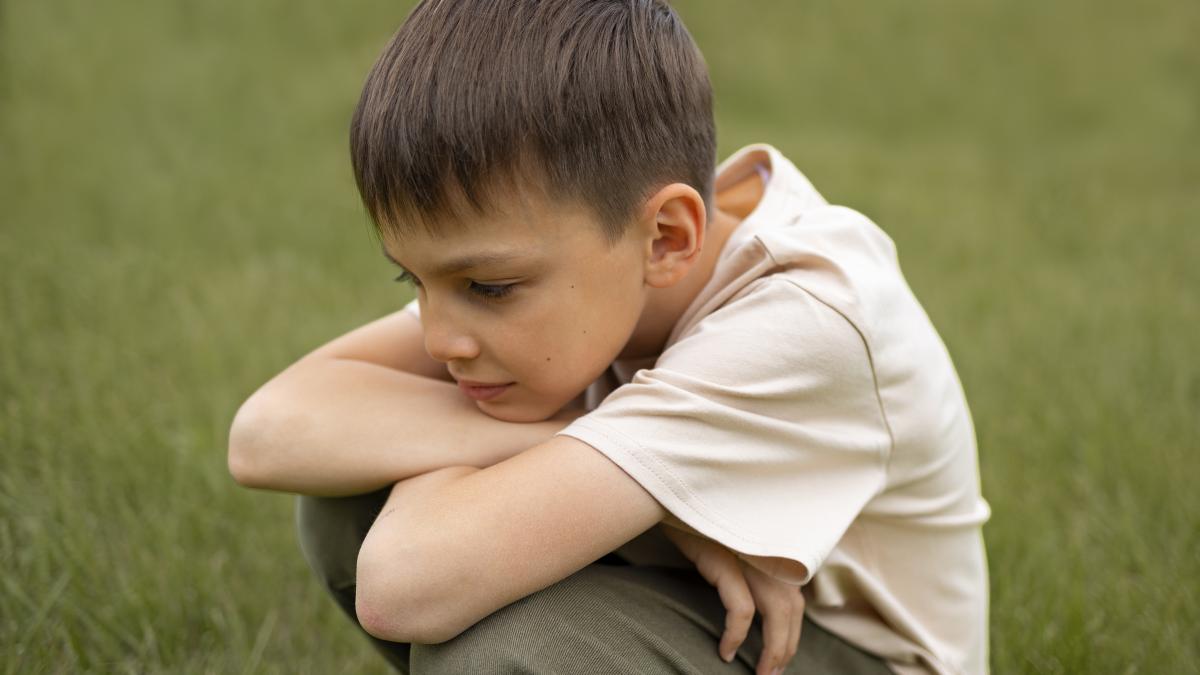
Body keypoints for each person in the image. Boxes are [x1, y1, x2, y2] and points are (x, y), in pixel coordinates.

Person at [227, 1, 990, 674]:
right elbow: (266, 432)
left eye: (487, 287)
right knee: (346, 496)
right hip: (706, 604)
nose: (442, 337)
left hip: (835, 646)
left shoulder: (806, 317)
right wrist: (668, 507)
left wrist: (482, 451)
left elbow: (401, 585)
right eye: (413, 282)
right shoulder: (590, 265)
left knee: (513, 644)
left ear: (666, 236)